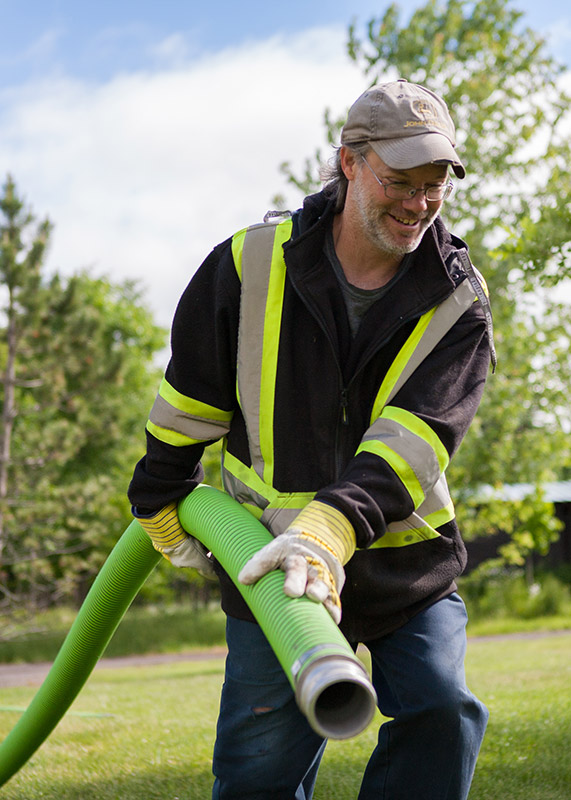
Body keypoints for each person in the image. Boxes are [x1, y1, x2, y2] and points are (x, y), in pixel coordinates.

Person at [128, 79, 494, 800]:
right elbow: (189, 401)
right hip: (268, 563)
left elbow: (412, 443)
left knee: (441, 714)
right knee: (259, 774)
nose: (418, 204)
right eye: (399, 181)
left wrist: (326, 533)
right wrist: (159, 494)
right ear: (348, 162)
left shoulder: (458, 300)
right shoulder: (246, 265)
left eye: (433, 186)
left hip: (403, 565)